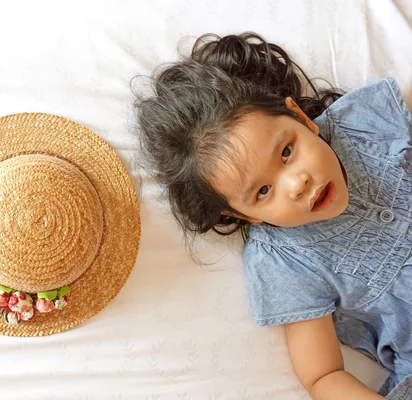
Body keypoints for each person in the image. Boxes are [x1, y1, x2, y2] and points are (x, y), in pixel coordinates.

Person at [133, 32, 412, 400]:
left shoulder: (361, 122)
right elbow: (323, 375)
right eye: (263, 192)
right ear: (243, 214)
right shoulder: (282, 262)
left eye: (286, 152)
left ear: (299, 117)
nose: (297, 184)